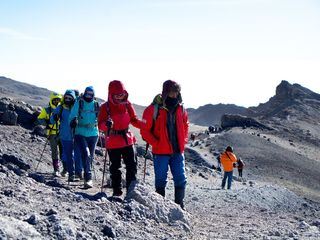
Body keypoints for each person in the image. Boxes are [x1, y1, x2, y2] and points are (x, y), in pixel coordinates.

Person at [141, 80, 189, 210]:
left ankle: (179, 207)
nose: (174, 96)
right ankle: (161, 208)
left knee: (181, 179)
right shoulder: (153, 109)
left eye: (176, 93)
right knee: (161, 181)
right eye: (172, 93)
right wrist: (156, 143)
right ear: (165, 93)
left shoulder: (181, 108)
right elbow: (145, 131)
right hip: (160, 152)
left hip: (178, 151)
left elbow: (185, 126)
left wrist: (183, 141)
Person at [98, 80, 143, 196]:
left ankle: (130, 192)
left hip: (127, 139)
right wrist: (106, 125)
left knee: (132, 166)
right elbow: (100, 125)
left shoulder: (127, 104)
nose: (120, 97)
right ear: (111, 94)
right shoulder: (105, 107)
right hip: (113, 141)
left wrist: (146, 126)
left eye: (122, 94)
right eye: (117, 95)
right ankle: (117, 192)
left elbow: (134, 120)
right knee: (115, 168)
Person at [69, 86, 99, 188]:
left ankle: (86, 175)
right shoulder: (79, 102)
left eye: (90, 94)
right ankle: (88, 179)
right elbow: (73, 114)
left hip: (94, 133)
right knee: (86, 154)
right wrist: (73, 120)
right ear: (84, 93)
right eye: (87, 94)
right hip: (80, 132)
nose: (88, 96)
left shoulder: (96, 104)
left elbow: (101, 118)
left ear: (93, 95)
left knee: (90, 156)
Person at [50, 90, 82, 182]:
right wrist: (54, 117)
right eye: (66, 98)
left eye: (70, 98)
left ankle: (78, 172)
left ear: (73, 99)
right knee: (68, 156)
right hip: (65, 136)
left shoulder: (77, 108)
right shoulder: (60, 108)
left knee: (77, 155)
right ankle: (71, 174)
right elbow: (52, 120)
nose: (67, 99)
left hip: (77, 134)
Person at [37, 92, 63, 176]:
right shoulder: (47, 110)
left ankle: (65, 169)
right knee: (54, 152)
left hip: (62, 133)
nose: (57, 102)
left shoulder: (62, 109)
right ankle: (56, 169)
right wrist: (47, 122)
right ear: (52, 100)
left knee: (63, 152)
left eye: (58, 100)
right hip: (52, 133)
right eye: (55, 100)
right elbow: (40, 119)